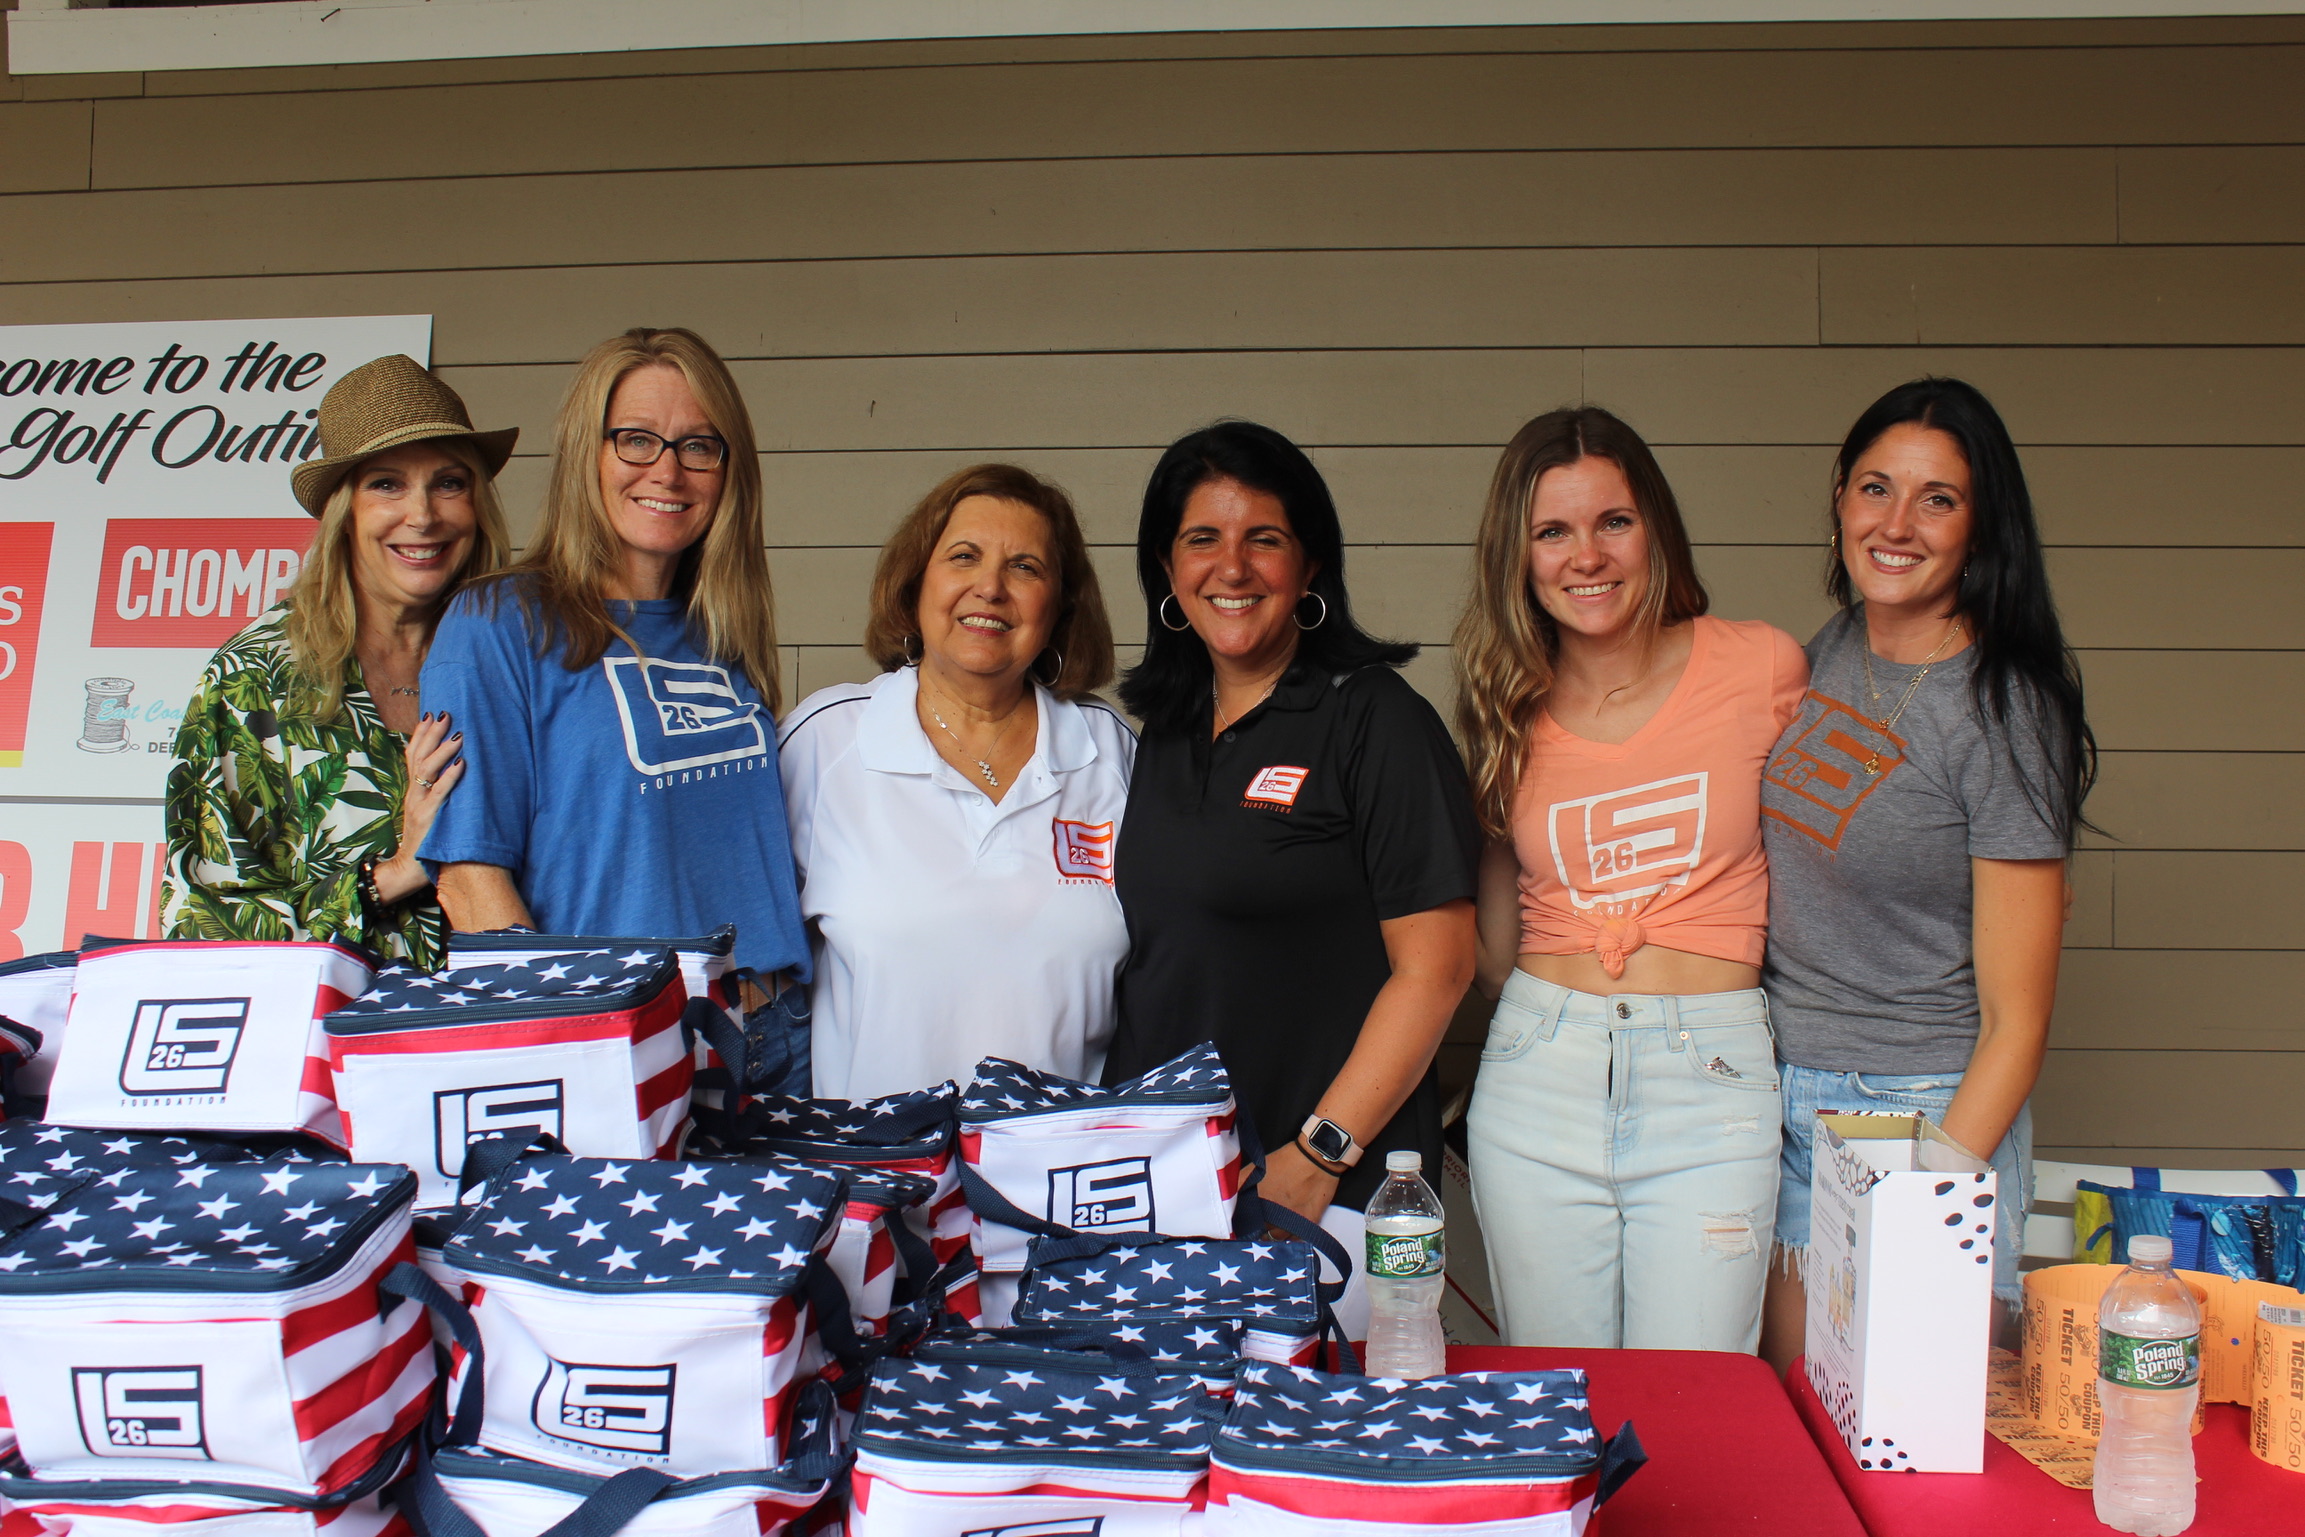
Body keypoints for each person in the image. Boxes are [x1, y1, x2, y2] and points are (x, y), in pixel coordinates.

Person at [1104, 420, 1479, 1334]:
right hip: (1168, 1189)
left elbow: (1437, 969)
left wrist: (1318, 1153)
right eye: (1202, 538)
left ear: (1310, 564)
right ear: (1166, 568)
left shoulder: (1373, 720)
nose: (1231, 567)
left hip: (1324, 1191)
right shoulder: (1163, 735)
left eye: (1262, 538)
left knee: (1310, 1420)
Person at [1757, 377, 2093, 1372]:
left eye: (1936, 499)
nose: (1896, 524)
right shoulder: (1828, 651)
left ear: (1979, 527)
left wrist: (1925, 1192)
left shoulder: (2002, 711)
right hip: (1779, 1091)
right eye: (1876, 488)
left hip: (1919, 1105)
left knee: (1902, 1427)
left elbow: (2016, 1023)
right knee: (1795, 1417)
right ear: (1839, 498)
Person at [1455, 407, 1808, 1353]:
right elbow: (1491, 953)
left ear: (1654, 526)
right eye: (1552, 531)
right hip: (1539, 1069)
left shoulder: (1762, 665)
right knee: (1555, 1395)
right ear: (1517, 554)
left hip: (1712, 1077)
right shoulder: (1504, 703)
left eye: (1612, 521)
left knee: (1695, 1394)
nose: (1587, 556)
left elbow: (1839, 846)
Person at [419, 327, 808, 1035]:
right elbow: (470, 883)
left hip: (775, 1031)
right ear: (586, 454)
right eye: (636, 440)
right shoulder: (498, 623)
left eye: (698, 446)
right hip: (622, 1033)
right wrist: (576, 1041)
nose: (668, 471)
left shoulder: (721, 631)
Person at [779, 464, 1132, 1101]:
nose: (990, 587)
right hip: (878, 1157)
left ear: (1061, 606)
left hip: (1065, 1156)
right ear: (916, 583)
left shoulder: (1108, 749)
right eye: (963, 556)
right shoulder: (824, 742)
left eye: (1025, 567)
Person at [163, 354, 513, 967]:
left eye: (449, 483)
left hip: (507, 1012)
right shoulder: (255, 679)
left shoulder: (517, 660)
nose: (423, 515)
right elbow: (202, 927)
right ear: (342, 512)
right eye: (387, 484)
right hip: (336, 1022)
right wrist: (396, 872)